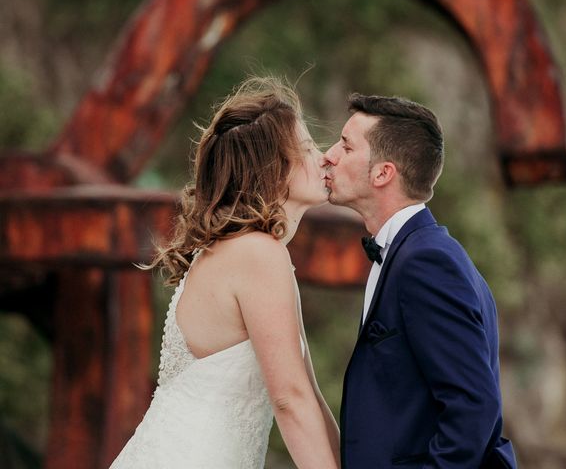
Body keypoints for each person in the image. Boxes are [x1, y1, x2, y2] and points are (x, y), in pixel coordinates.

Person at [110, 77, 340, 468]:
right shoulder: (258, 254)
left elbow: (309, 395)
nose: (323, 157)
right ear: (272, 170)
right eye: (305, 149)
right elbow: (289, 400)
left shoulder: (251, 252)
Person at [323, 93, 516, 468]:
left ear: (383, 173)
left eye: (345, 146)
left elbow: (474, 407)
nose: (329, 154)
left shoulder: (426, 262)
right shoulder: (414, 252)